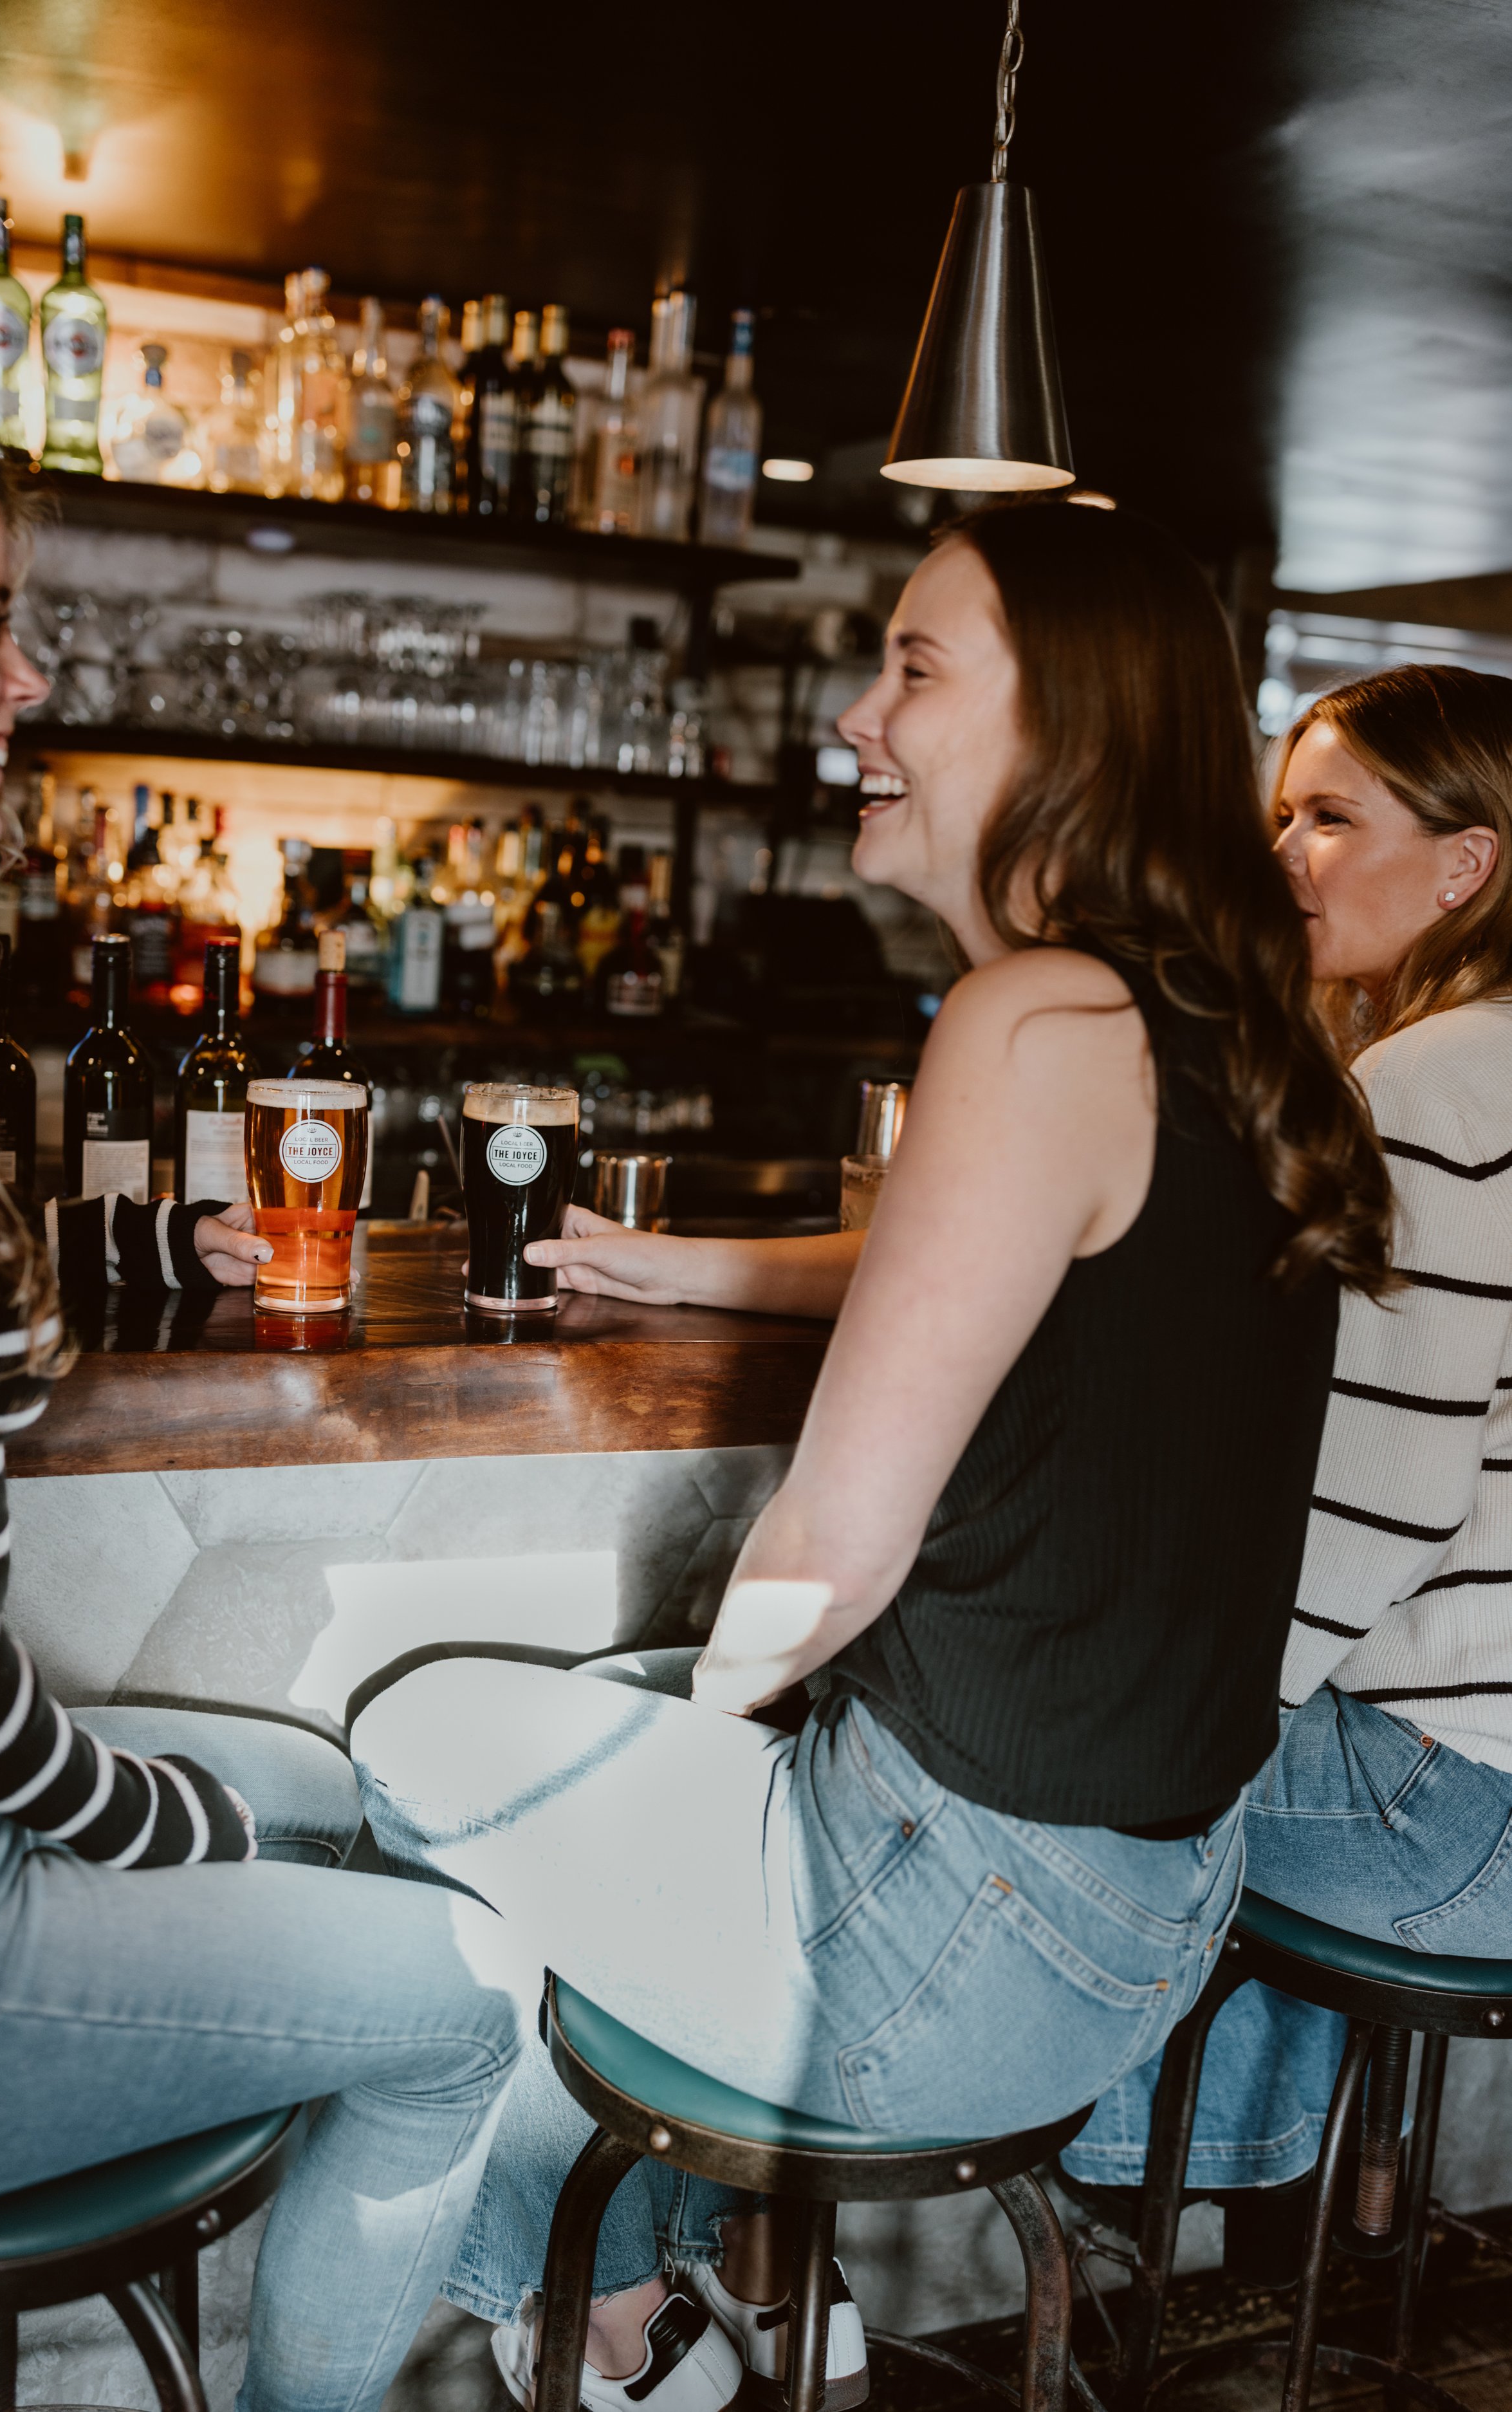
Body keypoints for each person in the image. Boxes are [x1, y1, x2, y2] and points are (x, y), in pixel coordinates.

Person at [350, 499, 1392, 2412]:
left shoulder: (1027, 1018)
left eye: (912, 666)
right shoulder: (1215, 1033)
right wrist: (670, 1260)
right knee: (606, 1738)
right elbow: (1007, 1258)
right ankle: (726, 2296)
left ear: (1070, 728)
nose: (853, 713)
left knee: (412, 1749)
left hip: (935, 1938)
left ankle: (608, 2318)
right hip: (1144, 1929)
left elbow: (831, 1542)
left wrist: (694, 1731)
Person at [0, 391, 528, 2412]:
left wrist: (174, 1263)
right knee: (469, 1994)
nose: (29, 673)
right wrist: (133, 1816)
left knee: (346, 1789)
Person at [1060, 662, 1512, 2257]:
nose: (1283, 855)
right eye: (1276, 815)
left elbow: (1384, 1497)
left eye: (1328, 816)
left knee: (1057, 1753)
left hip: (1459, 1817)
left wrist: (1180, 1719)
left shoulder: (1435, 1084)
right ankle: (1256, 2194)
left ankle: (1121, 2205)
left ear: (1465, 863)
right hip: (1486, 1797)